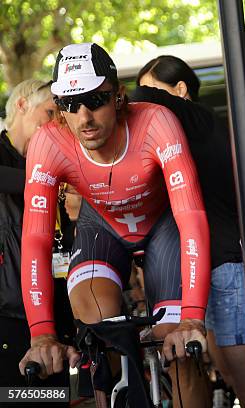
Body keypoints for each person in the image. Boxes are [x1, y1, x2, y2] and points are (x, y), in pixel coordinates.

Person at [18, 43, 210, 407]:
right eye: (71, 104)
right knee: (99, 330)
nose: (85, 116)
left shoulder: (155, 122)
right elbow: (35, 239)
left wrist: (193, 319)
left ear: (119, 96)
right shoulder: (48, 142)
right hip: (102, 227)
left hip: (162, 226)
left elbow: (192, 218)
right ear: (60, 109)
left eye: (96, 99)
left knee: (180, 348)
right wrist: (41, 333)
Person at [130, 55, 245, 408]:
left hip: (226, 266)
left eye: (153, 89)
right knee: (230, 376)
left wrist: (108, 97)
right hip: (209, 268)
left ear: (181, 90)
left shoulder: (200, 119)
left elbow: (145, 98)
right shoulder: (181, 134)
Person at [0, 79, 73, 406]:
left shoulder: (52, 164)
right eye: (49, 112)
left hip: (51, 316)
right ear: (21, 105)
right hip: (7, 316)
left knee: (50, 400)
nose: (54, 123)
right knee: (13, 399)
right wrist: (45, 180)